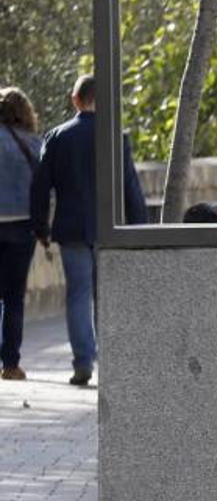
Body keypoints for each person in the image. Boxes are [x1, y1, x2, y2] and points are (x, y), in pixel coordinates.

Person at [30, 75, 147, 386]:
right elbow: (130, 188)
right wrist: (141, 231)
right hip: (110, 230)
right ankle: (112, 363)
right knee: (107, 296)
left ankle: (83, 362)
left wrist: (40, 227)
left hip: (71, 230)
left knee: (78, 296)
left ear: (75, 99)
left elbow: (40, 187)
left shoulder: (57, 137)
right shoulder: (115, 136)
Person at [0, 87, 43, 381]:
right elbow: (43, 189)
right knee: (14, 297)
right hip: (22, 226)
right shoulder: (35, 144)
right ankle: (11, 364)